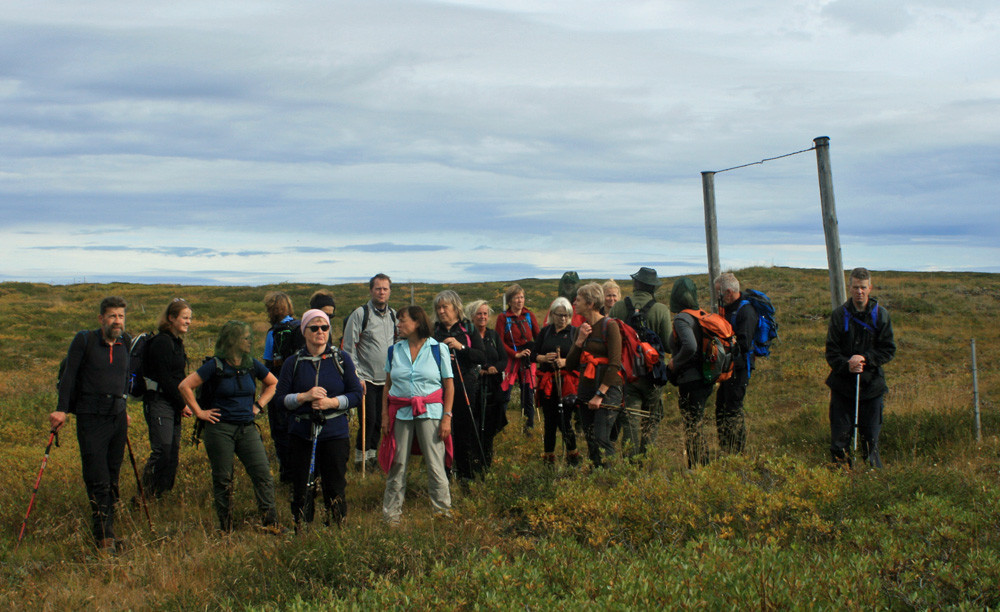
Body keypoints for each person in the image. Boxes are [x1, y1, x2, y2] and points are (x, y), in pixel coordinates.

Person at [179, 321, 279, 532]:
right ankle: (226, 527)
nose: (250, 341)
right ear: (233, 341)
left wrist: (258, 405)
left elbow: (273, 383)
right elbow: (185, 386)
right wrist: (199, 412)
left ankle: (271, 523)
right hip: (220, 429)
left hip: (247, 428)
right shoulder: (215, 365)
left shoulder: (251, 364)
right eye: (245, 338)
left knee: (263, 474)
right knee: (223, 479)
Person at [50, 297, 131, 551]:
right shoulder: (84, 340)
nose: (117, 321)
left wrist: (124, 406)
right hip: (90, 417)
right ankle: (104, 539)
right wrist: (61, 410)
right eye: (112, 316)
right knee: (98, 479)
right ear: (101, 319)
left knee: (113, 478)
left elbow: (125, 378)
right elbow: (69, 377)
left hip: (117, 417)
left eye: (120, 316)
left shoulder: (125, 342)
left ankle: (109, 531)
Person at [275, 309, 363, 526]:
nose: (320, 332)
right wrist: (304, 397)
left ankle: (336, 527)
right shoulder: (292, 362)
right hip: (301, 434)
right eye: (314, 328)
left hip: (335, 433)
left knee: (335, 485)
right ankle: (302, 529)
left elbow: (356, 394)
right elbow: (279, 399)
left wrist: (332, 403)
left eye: (324, 328)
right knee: (302, 485)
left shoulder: (341, 359)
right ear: (304, 331)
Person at [379, 306, 454, 523]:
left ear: (417, 323)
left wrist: (447, 416)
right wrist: (385, 415)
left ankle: (442, 515)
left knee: (435, 464)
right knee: (397, 464)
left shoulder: (437, 349)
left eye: (402, 321)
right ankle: (391, 518)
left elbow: (449, 386)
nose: (398, 325)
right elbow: (387, 385)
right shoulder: (394, 351)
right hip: (400, 413)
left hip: (431, 413)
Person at [826, 267, 896, 468]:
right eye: (856, 287)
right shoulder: (839, 315)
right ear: (849, 287)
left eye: (863, 287)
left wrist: (865, 359)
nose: (859, 292)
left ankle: (873, 485)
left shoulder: (881, 316)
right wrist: (847, 365)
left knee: (871, 442)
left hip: (872, 388)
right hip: (843, 388)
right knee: (840, 443)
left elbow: (888, 349)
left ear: (870, 288)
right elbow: (831, 352)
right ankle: (840, 482)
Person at [609, 267, 672, 457]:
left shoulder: (619, 307)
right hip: (653, 375)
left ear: (636, 284)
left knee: (630, 420)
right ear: (652, 288)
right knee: (651, 421)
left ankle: (631, 467)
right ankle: (647, 464)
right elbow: (669, 345)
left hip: (628, 375)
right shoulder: (661, 310)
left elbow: (609, 339)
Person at [565, 283, 625, 468]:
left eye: (579, 299)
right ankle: (595, 479)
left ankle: (609, 481)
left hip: (607, 392)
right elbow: (570, 364)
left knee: (602, 438)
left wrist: (600, 394)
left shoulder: (610, 326)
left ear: (590, 303)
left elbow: (615, 364)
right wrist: (580, 341)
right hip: (586, 391)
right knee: (590, 438)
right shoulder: (580, 329)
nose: (575, 302)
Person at [140, 298, 193, 499]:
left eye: (189, 318)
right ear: (171, 318)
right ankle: (146, 494)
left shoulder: (176, 343)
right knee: (163, 449)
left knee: (172, 452)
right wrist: (182, 403)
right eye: (184, 318)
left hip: (173, 403)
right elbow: (164, 378)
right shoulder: (162, 342)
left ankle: (161, 495)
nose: (188, 322)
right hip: (159, 402)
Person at [343, 273, 396, 471]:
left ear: (390, 291)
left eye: (385, 289)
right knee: (369, 420)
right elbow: (349, 348)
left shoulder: (393, 315)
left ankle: (373, 456)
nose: (382, 292)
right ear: (371, 290)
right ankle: (361, 460)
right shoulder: (360, 314)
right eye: (378, 288)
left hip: (387, 380)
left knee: (381, 421)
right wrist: (356, 375)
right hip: (367, 378)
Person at [433, 291, 487, 485]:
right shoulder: (434, 331)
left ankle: (466, 474)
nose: (441, 311)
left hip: (465, 385)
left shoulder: (468, 329)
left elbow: (482, 356)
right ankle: (444, 474)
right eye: (438, 308)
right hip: (439, 389)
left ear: (456, 309)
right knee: (443, 432)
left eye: (444, 307)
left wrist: (460, 347)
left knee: (464, 431)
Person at [667, 277, 714, 469]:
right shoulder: (700, 314)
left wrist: (673, 363)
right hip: (704, 378)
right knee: (696, 423)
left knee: (692, 425)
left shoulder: (681, 318)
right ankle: (701, 465)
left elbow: (690, 346)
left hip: (691, 380)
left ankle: (697, 467)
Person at [534, 297, 581, 466]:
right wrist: (543, 358)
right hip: (548, 384)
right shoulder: (545, 332)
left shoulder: (575, 333)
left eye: (566, 315)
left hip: (567, 384)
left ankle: (573, 458)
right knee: (549, 422)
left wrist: (565, 362)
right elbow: (533, 354)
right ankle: (549, 460)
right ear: (552, 314)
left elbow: (582, 358)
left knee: (565, 421)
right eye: (559, 315)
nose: (562, 318)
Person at [714, 272, 756, 454]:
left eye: (719, 293)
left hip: (739, 370)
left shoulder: (746, 312)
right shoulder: (731, 308)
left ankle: (737, 451)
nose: (718, 297)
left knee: (733, 409)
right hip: (729, 369)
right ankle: (726, 447)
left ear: (729, 292)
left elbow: (745, 344)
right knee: (722, 407)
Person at [263, 292, 302, 483]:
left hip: (279, 389)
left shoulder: (274, 332)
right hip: (300, 388)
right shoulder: (300, 327)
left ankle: (286, 475)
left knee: (281, 433)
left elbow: (267, 365)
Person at [465, 299, 508, 467]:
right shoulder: (468, 337)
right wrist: (479, 370)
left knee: (490, 427)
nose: (482, 317)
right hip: (474, 388)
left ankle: (486, 463)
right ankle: (472, 461)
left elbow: (504, 359)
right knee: (474, 426)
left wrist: (493, 369)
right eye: (479, 314)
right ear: (472, 316)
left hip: (493, 389)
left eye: (485, 314)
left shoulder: (493, 336)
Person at [496, 283, 539, 434]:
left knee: (528, 395)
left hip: (527, 360)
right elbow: (499, 341)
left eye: (522, 297)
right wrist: (515, 354)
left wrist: (534, 352)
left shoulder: (529, 315)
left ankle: (529, 428)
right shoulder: (502, 318)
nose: (520, 301)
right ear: (509, 301)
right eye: (516, 298)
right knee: (505, 395)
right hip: (510, 360)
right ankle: (500, 427)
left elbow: (538, 337)